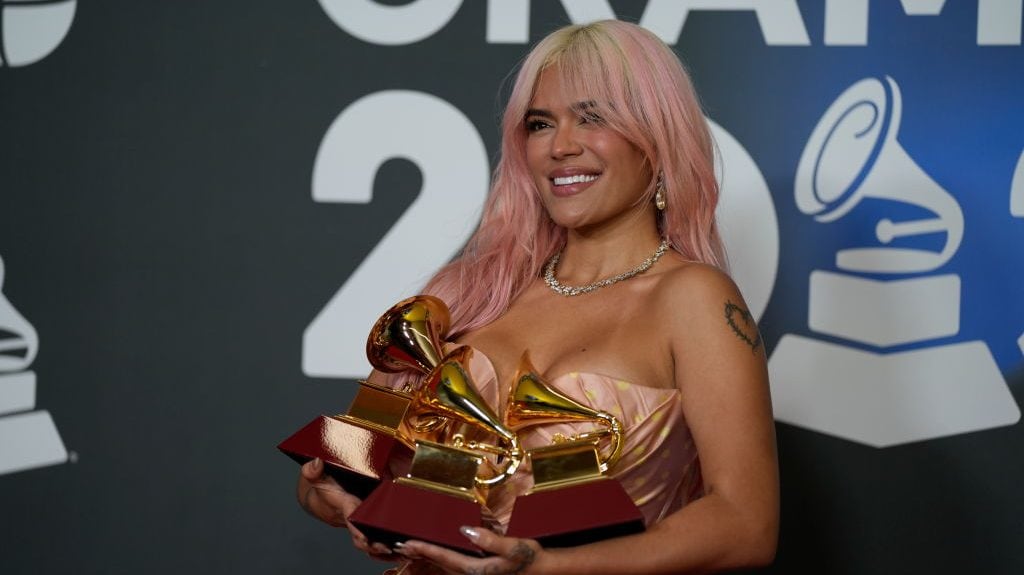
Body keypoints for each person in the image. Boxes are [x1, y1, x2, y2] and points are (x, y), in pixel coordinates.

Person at [297, 19, 778, 574]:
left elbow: (746, 524)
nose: (561, 146)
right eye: (540, 123)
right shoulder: (468, 290)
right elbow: (346, 457)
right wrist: (330, 492)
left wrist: (551, 567)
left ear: (657, 138)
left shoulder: (694, 299)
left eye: (594, 117)